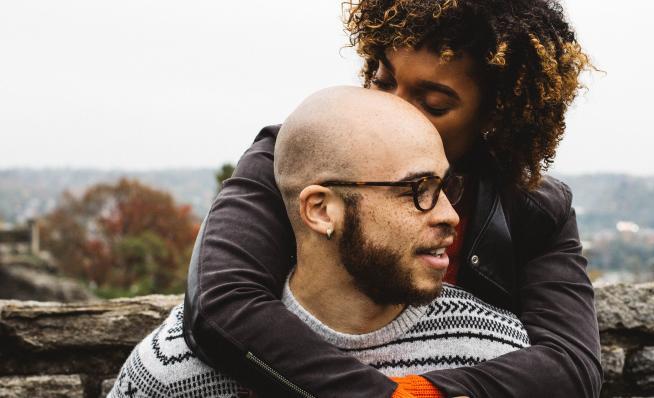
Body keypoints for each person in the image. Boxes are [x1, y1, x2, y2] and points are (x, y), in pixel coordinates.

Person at [184, 0, 602, 397]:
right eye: (383, 82)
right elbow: (221, 305)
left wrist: (433, 391)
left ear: (493, 115)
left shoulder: (535, 208)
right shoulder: (297, 157)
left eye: (432, 103)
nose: (392, 108)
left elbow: (571, 366)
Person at [108, 87, 530, 398]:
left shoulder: (495, 351)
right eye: (416, 189)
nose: (448, 215)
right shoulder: (176, 371)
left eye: (444, 186)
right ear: (322, 210)